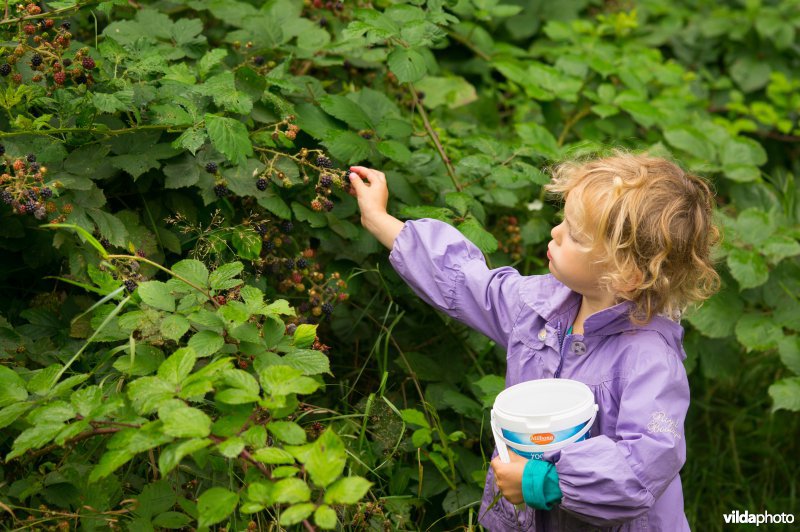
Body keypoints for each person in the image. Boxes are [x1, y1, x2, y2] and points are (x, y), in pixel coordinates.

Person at [347, 152, 720, 531]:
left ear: (625, 274)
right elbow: (466, 281)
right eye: (564, 221)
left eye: (574, 234)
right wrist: (380, 220)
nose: (556, 232)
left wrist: (541, 482)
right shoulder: (542, 307)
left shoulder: (649, 359)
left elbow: (646, 461)